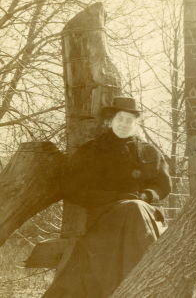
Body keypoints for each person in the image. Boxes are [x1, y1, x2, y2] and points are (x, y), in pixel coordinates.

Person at [43, 96, 171, 298]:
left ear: (136, 123)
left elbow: (163, 185)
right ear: (110, 120)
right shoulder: (92, 151)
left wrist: (146, 195)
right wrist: (115, 197)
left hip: (142, 214)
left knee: (135, 208)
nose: (124, 124)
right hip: (104, 218)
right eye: (120, 119)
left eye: (130, 120)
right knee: (132, 209)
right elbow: (72, 188)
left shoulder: (148, 151)